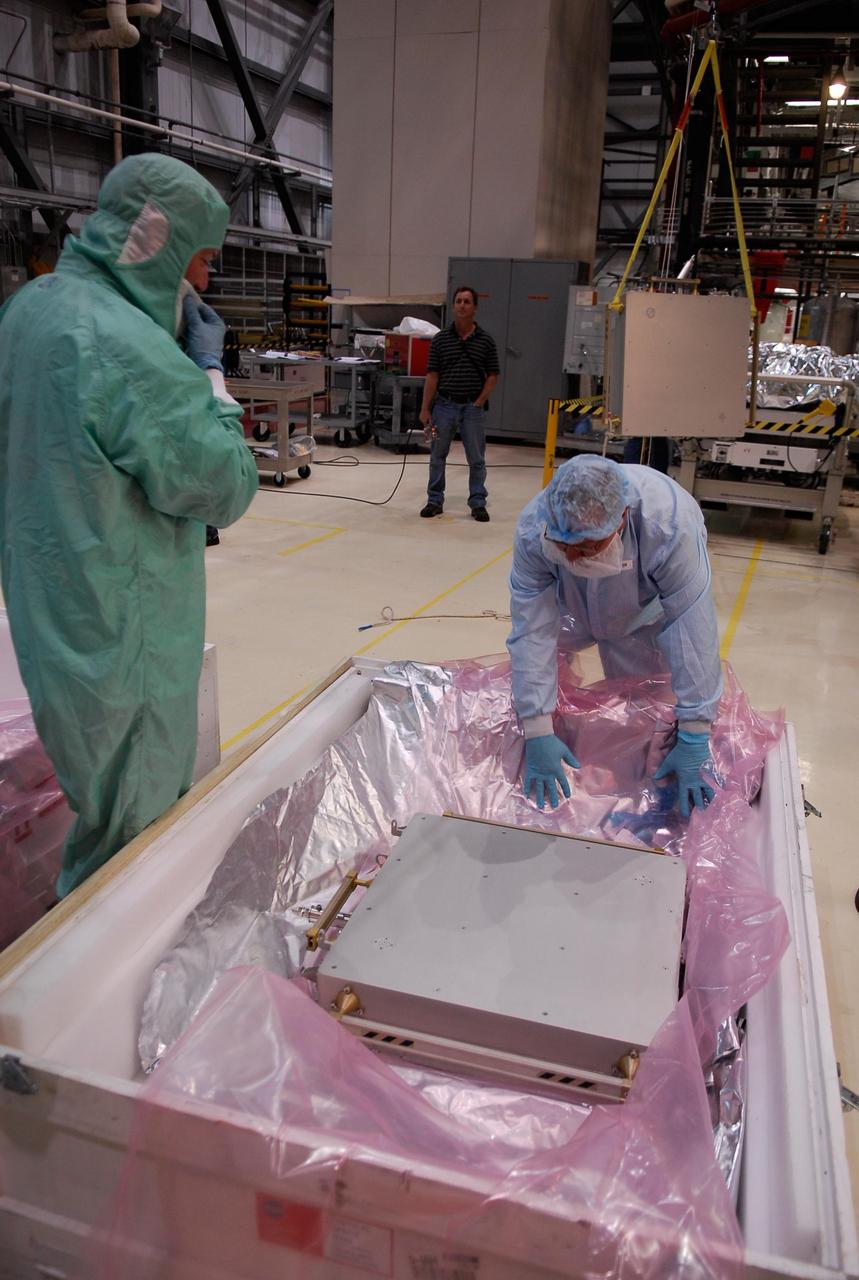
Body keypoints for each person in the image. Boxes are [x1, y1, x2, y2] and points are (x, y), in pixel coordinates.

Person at [0, 153, 259, 897]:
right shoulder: (127, 347)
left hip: (56, 611)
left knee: (101, 797)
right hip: (127, 633)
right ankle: (93, 999)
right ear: (157, 242)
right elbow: (226, 484)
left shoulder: (31, 307)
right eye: (201, 260)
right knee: (133, 842)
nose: (204, 283)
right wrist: (207, 376)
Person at [507, 455, 722, 816]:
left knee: (646, 708)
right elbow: (532, 629)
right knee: (541, 671)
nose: (574, 556)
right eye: (563, 547)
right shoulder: (535, 530)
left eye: (588, 547)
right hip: (568, 606)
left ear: (621, 519)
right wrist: (537, 728)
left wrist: (696, 730)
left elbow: (691, 625)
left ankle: (643, 783)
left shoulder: (669, 526)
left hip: (640, 616)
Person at [419, 285, 499, 522]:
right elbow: (432, 376)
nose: (462, 305)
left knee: (476, 458)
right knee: (437, 455)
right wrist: (425, 408)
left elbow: (493, 374)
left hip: (472, 409)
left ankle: (477, 502)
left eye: (467, 301)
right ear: (453, 306)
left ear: (475, 307)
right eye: (458, 301)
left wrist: (479, 401)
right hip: (444, 406)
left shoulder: (485, 340)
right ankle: (434, 500)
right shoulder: (441, 340)